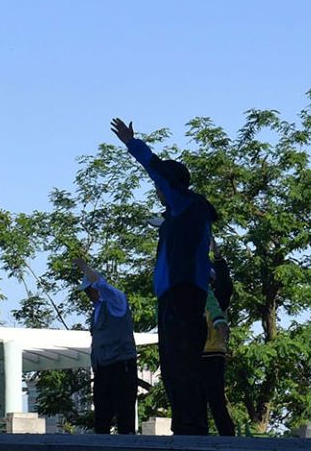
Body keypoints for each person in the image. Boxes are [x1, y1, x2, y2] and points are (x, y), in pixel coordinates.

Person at [111, 118, 218, 436]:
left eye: (162, 187)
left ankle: (191, 425)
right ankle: (188, 423)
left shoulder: (185, 204)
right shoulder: (182, 214)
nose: (158, 191)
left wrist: (133, 144)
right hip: (181, 294)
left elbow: (156, 168)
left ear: (172, 187)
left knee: (179, 363)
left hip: (181, 295)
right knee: (176, 365)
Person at [75, 258, 138, 435]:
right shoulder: (97, 310)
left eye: (89, 290)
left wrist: (84, 267)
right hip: (103, 368)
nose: (88, 295)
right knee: (101, 418)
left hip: (121, 365)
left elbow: (102, 284)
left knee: (124, 417)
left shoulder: (116, 301)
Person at [199, 253, 236, 437]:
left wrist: (220, 259)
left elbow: (226, 285)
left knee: (215, 399)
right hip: (198, 353)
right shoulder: (197, 295)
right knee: (198, 399)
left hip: (213, 353)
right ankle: (200, 436)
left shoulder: (218, 296)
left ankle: (227, 436)